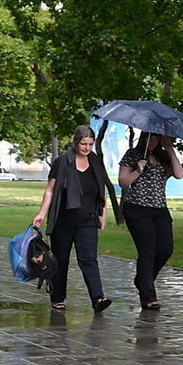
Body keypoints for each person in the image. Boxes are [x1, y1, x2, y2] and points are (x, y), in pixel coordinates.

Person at [33, 125, 112, 313]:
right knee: (61, 260)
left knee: (89, 259)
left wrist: (104, 213)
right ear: (75, 142)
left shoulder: (96, 162)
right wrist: (41, 214)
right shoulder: (62, 162)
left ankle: (97, 298)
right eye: (83, 144)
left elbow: (101, 191)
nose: (87, 148)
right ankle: (58, 298)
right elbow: (50, 190)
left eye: (90, 144)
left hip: (88, 219)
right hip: (63, 218)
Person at [118, 132, 183, 310]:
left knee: (165, 249)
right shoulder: (133, 154)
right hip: (137, 209)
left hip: (159, 209)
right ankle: (148, 297)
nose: (153, 141)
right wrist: (137, 170)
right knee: (147, 251)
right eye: (150, 137)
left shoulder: (163, 157)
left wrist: (170, 149)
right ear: (144, 137)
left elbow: (179, 174)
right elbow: (123, 182)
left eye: (157, 138)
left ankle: (142, 280)